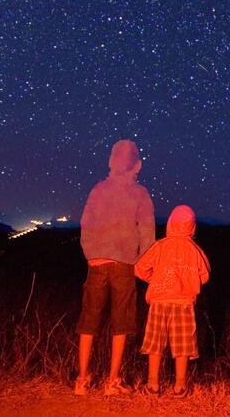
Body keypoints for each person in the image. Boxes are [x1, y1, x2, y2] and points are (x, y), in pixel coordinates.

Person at [75, 139, 155, 396]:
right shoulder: (140, 194)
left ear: (111, 162)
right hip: (124, 265)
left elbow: (86, 224)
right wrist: (143, 263)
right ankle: (112, 381)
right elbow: (147, 233)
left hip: (97, 263)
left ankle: (82, 379)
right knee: (121, 323)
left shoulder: (98, 189)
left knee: (89, 321)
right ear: (137, 165)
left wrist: (91, 255)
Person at [135, 204, 211, 397]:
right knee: (182, 345)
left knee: (155, 343)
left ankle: (153, 385)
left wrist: (156, 279)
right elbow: (205, 275)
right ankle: (179, 386)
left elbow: (140, 268)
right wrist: (191, 282)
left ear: (170, 223)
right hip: (183, 303)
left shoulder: (160, 246)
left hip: (159, 300)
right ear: (192, 226)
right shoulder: (195, 250)